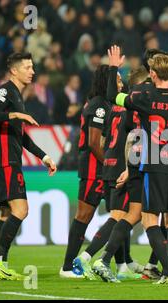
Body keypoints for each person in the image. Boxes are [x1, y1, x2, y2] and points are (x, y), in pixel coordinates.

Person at [93, 46, 168, 284]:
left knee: (149, 218)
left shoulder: (144, 97)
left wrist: (113, 68)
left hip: (156, 164)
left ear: (152, 73)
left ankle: (167, 271)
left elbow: (112, 97)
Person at [0, 52, 57, 280]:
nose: (32, 71)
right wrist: (15, 113)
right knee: (21, 210)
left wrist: (43, 156)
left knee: (6, 212)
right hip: (6, 160)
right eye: (28, 67)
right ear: (14, 70)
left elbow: (21, 136)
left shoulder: (17, 95)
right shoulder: (7, 91)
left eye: (32, 67)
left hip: (4, 159)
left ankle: (1, 264)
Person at [72, 70, 144, 281]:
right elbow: (132, 140)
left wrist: (110, 163)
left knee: (123, 214)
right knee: (120, 217)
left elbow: (104, 139)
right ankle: (85, 258)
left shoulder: (113, 108)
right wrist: (128, 167)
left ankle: (122, 265)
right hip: (123, 166)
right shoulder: (134, 109)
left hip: (109, 165)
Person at [60, 65, 111, 278]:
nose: (120, 83)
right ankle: (67, 267)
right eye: (116, 79)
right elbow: (93, 142)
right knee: (84, 216)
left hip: (100, 168)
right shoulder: (99, 105)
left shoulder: (102, 103)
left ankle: (123, 263)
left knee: (120, 213)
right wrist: (109, 164)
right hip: (94, 169)